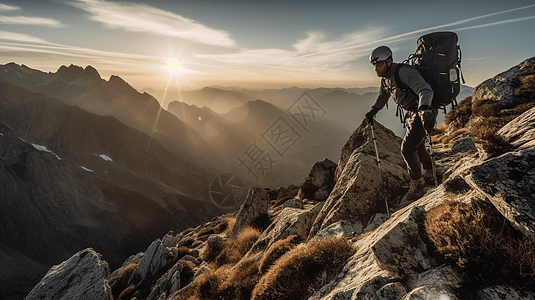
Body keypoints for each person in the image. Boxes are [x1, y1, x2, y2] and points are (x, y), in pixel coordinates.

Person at [365, 46, 437, 202]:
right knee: (418, 145)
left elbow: (425, 90)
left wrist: (425, 110)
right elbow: (383, 97)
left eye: (380, 64)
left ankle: (418, 183)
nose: (376, 69)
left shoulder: (404, 73)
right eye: (375, 65)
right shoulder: (385, 78)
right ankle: (431, 173)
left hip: (423, 110)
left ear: (389, 61)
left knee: (407, 148)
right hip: (411, 114)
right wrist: (373, 111)